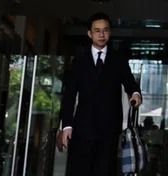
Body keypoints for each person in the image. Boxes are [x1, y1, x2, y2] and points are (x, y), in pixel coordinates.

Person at [57, 12, 143, 176]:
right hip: (83, 129)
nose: (101, 34)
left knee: (104, 171)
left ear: (109, 33)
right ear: (90, 34)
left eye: (105, 30)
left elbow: (130, 82)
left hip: (109, 129)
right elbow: (69, 96)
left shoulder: (118, 60)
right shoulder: (79, 61)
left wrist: (135, 93)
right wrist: (67, 125)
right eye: (97, 30)